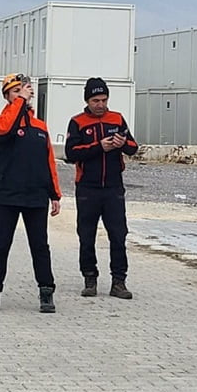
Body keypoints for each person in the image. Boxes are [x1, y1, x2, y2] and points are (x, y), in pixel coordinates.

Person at [0, 72, 62, 314]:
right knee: (1, 245)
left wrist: (55, 194)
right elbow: (5, 132)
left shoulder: (40, 127)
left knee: (40, 246)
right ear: (7, 96)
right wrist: (19, 103)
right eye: (15, 92)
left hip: (35, 197)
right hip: (7, 196)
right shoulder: (2, 121)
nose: (22, 95)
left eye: (24, 90)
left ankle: (46, 292)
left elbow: (49, 162)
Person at [64, 77, 138, 299]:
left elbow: (134, 147)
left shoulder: (117, 119)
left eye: (104, 100)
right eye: (96, 100)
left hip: (113, 188)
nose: (100, 104)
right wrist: (99, 147)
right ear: (88, 100)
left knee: (118, 235)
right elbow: (71, 153)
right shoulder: (77, 122)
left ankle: (119, 282)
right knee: (86, 236)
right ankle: (90, 278)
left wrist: (121, 144)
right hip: (87, 188)